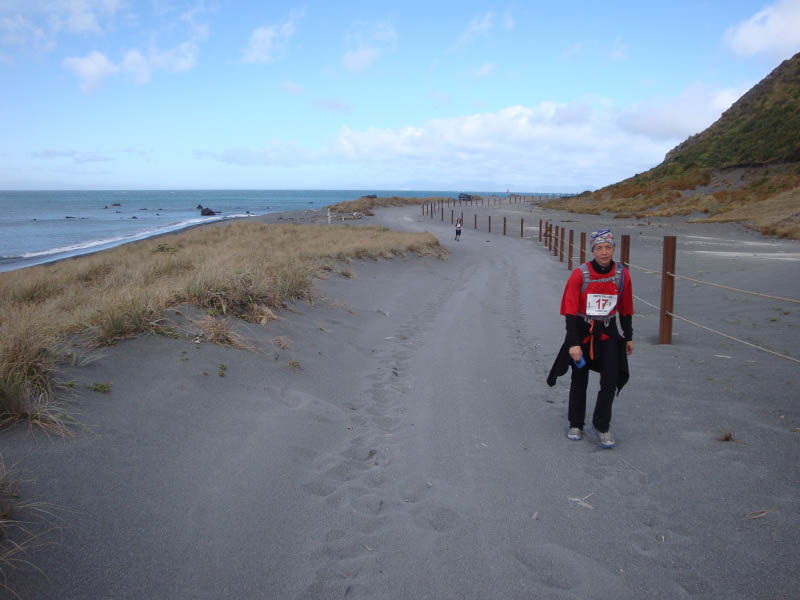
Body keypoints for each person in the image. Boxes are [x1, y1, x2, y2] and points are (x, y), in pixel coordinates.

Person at [546, 229, 634, 449]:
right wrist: (573, 343)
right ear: (592, 250)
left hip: (609, 332)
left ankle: (602, 426)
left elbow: (626, 308)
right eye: (599, 248)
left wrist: (629, 336)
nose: (604, 252)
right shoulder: (580, 274)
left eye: (608, 247)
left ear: (613, 249)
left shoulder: (622, 274)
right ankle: (576, 423)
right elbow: (569, 311)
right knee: (579, 377)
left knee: (610, 380)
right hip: (582, 333)